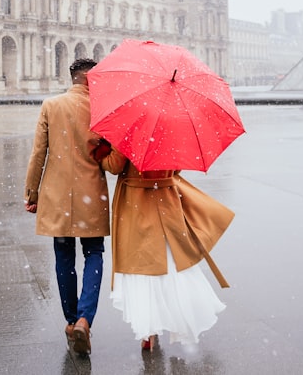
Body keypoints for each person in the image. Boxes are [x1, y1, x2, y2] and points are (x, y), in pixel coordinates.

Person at [94, 143, 234, 351]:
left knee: (143, 266)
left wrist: (100, 157)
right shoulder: (172, 129)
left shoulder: (132, 128)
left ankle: (149, 330)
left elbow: (115, 165)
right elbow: (177, 168)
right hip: (166, 200)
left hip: (137, 202)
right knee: (171, 262)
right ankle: (179, 317)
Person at [24, 58, 109, 355]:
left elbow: (38, 154)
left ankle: (71, 321)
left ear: (73, 78)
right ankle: (86, 318)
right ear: (90, 79)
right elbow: (112, 164)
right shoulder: (103, 110)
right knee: (94, 253)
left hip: (56, 196)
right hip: (92, 195)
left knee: (63, 257)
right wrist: (104, 150)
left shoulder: (51, 105)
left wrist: (32, 193)